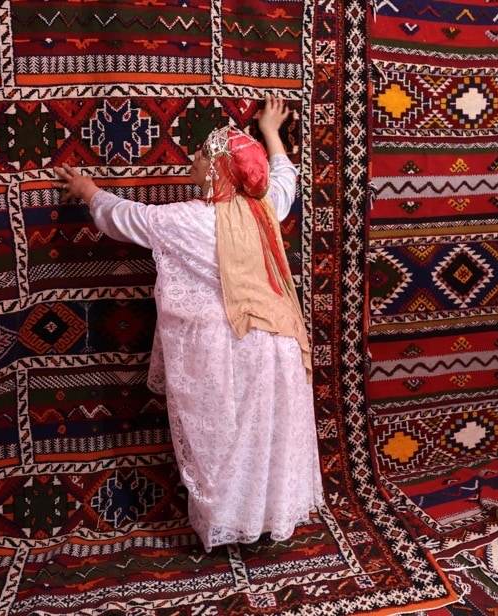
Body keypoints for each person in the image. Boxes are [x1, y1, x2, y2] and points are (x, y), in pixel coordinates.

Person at [53, 96, 324, 552]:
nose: (193, 160)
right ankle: (258, 520)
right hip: (277, 344)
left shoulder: (188, 220)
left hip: (229, 345)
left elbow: (127, 218)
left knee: (226, 443)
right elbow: (284, 180)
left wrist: (86, 190)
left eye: (201, 155)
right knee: (266, 438)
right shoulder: (266, 210)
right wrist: (273, 133)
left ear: (218, 170)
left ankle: (231, 521)